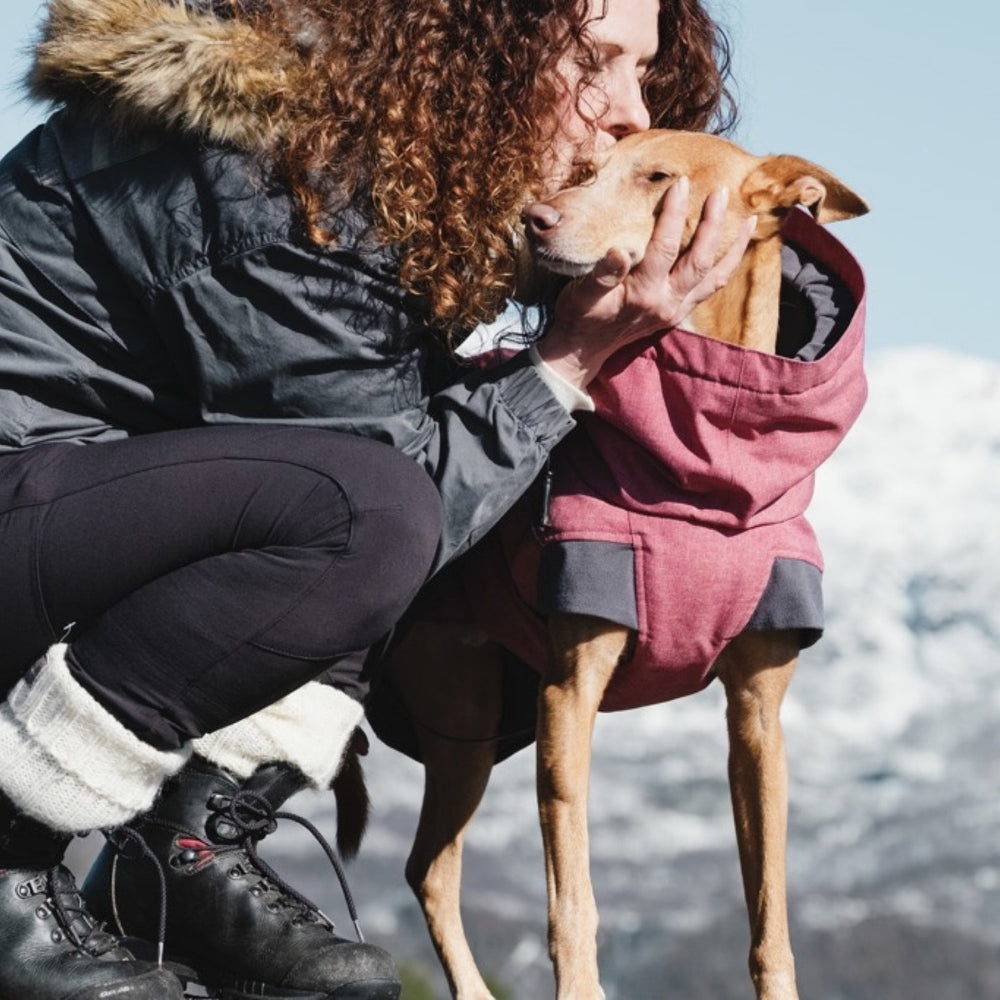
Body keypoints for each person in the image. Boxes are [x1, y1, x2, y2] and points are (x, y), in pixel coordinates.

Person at [0, 0, 750, 997]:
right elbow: (379, 505)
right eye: (591, 60)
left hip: (66, 510)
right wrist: (571, 360)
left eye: (643, 70)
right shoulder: (271, 174)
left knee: (439, 477)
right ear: (482, 47)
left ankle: (189, 856)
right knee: (366, 511)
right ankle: (13, 847)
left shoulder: (379, 169)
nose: (625, 108)